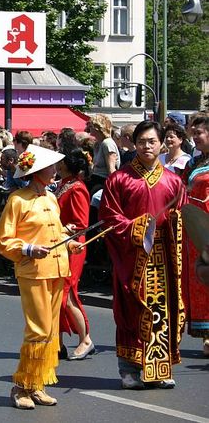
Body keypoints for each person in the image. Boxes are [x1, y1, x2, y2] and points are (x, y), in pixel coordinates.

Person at [99, 121, 186, 389]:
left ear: (161, 144)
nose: (146, 147)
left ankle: (160, 369)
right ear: (133, 144)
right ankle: (129, 370)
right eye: (141, 142)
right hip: (133, 255)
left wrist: (174, 220)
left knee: (163, 310)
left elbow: (181, 215)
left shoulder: (173, 181)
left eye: (152, 142)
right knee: (132, 309)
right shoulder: (119, 179)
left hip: (163, 254)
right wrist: (138, 228)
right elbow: (110, 218)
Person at [0, 145, 82, 409]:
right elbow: (3, 240)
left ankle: (37, 384)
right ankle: (21, 386)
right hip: (33, 272)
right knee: (38, 330)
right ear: (37, 171)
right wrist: (29, 248)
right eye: (51, 167)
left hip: (57, 270)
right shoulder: (17, 200)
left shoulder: (51, 198)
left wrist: (69, 242)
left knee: (51, 331)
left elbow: (55, 233)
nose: (56, 171)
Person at [54, 148, 94, 360]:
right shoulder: (63, 184)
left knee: (67, 294)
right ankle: (58, 343)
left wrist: (61, 230)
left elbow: (81, 224)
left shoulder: (77, 188)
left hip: (73, 245)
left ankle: (85, 338)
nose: (57, 166)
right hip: (61, 244)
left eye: (60, 163)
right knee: (57, 293)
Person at [182, 115, 209, 356]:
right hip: (196, 227)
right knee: (201, 280)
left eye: (199, 132)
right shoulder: (194, 163)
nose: (195, 137)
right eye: (194, 133)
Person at [86, 114, 119, 193]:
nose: (88, 128)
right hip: (95, 179)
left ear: (98, 127)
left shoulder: (107, 143)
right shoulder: (98, 144)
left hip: (103, 182)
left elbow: (111, 169)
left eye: (91, 126)